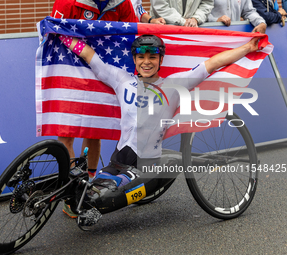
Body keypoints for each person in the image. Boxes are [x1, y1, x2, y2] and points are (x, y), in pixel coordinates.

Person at [58, 33, 261, 192]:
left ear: (160, 60)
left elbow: (214, 63)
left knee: (100, 195)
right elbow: (89, 56)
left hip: (146, 165)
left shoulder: (173, 85)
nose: (146, 62)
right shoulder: (122, 80)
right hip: (118, 160)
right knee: (83, 190)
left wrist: (247, 47)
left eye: (152, 57)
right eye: (141, 57)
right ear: (134, 60)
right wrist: (59, 34)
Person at [50, 0, 138, 218]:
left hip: (101, 67)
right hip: (70, 67)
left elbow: (133, 35)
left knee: (93, 130)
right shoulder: (67, 2)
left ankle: (87, 185)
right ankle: (71, 192)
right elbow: (52, 33)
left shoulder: (123, 3)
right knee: (66, 134)